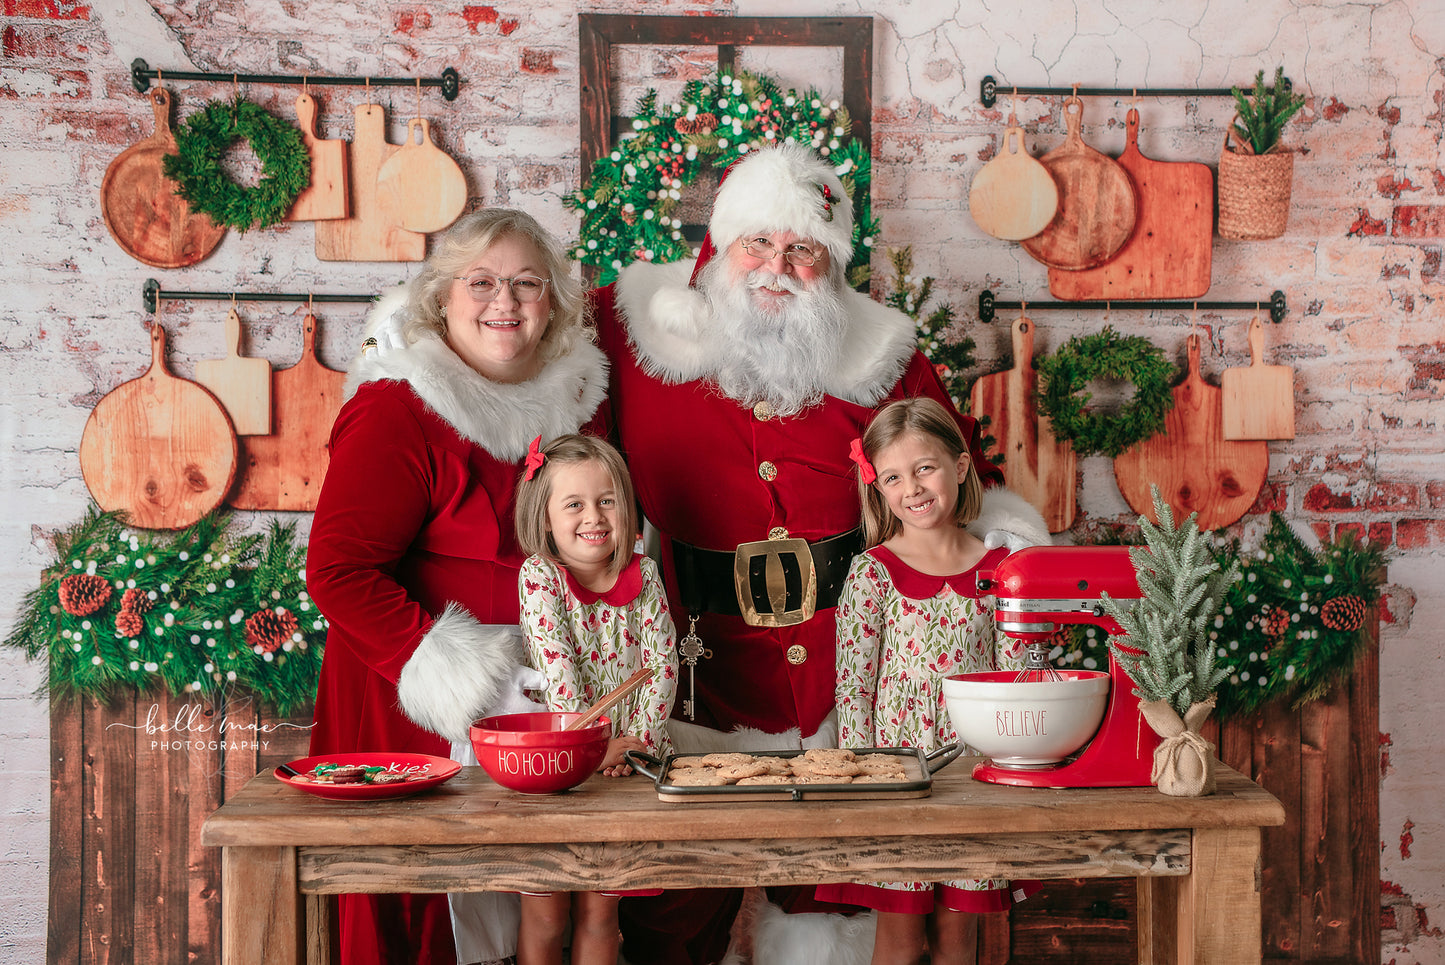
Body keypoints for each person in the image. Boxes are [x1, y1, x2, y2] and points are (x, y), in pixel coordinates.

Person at [589, 143, 1050, 965]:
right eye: (756, 243)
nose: (776, 266)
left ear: (829, 264)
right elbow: (527, 370)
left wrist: (1004, 566)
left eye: (803, 250)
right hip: (691, 672)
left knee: (835, 911)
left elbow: (963, 489)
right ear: (718, 243)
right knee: (671, 906)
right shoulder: (630, 327)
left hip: (845, 670)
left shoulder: (879, 353)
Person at [306, 208, 610, 965]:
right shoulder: (397, 407)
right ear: (443, 297)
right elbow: (337, 571)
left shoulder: (579, 409)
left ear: (552, 305)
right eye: (480, 281)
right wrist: (463, 674)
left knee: (543, 915)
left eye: (525, 283)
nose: (502, 301)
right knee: (425, 919)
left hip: (543, 711)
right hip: (417, 708)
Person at [815, 398, 1038, 965]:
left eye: (925, 468)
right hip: (896, 779)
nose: (912, 488)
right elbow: (855, 688)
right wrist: (861, 777)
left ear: (960, 467)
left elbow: (1017, 678)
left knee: (958, 933)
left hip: (973, 778)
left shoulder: (999, 572)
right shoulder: (873, 573)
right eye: (893, 476)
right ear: (878, 489)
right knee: (899, 935)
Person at [511, 432, 679, 965]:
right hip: (558, 767)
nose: (595, 517)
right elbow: (558, 673)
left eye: (607, 501)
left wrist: (639, 745)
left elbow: (662, 663)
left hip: (631, 765)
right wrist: (593, 747)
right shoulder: (541, 578)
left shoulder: (643, 572)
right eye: (575, 504)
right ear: (545, 518)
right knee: (545, 912)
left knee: (603, 910)